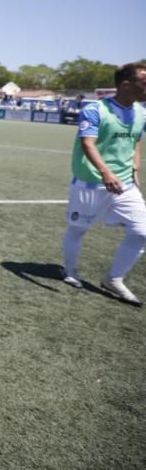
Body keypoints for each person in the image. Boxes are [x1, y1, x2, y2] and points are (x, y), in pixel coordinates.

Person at [61, 62, 146, 305]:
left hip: (125, 185)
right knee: (78, 230)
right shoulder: (95, 109)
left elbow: (136, 139)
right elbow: (88, 143)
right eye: (145, 83)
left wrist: (134, 167)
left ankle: (114, 278)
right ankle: (70, 271)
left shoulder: (141, 112)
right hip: (91, 183)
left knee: (142, 232)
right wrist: (106, 172)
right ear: (126, 84)